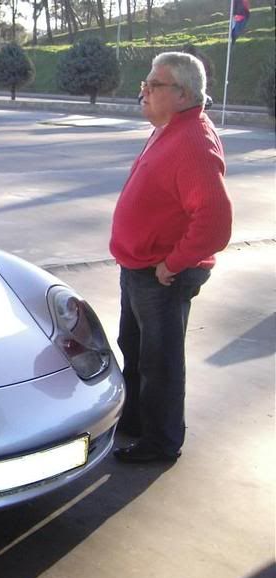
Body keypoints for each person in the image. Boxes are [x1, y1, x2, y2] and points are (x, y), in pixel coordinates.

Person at [110, 52, 233, 463]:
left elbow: (214, 223)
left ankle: (161, 442)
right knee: (136, 348)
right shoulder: (170, 128)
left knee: (159, 364)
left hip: (160, 275)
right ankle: (137, 422)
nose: (143, 89)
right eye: (145, 81)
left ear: (182, 94)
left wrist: (173, 263)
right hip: (139, 268)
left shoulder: (193, 142)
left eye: (153, 84)